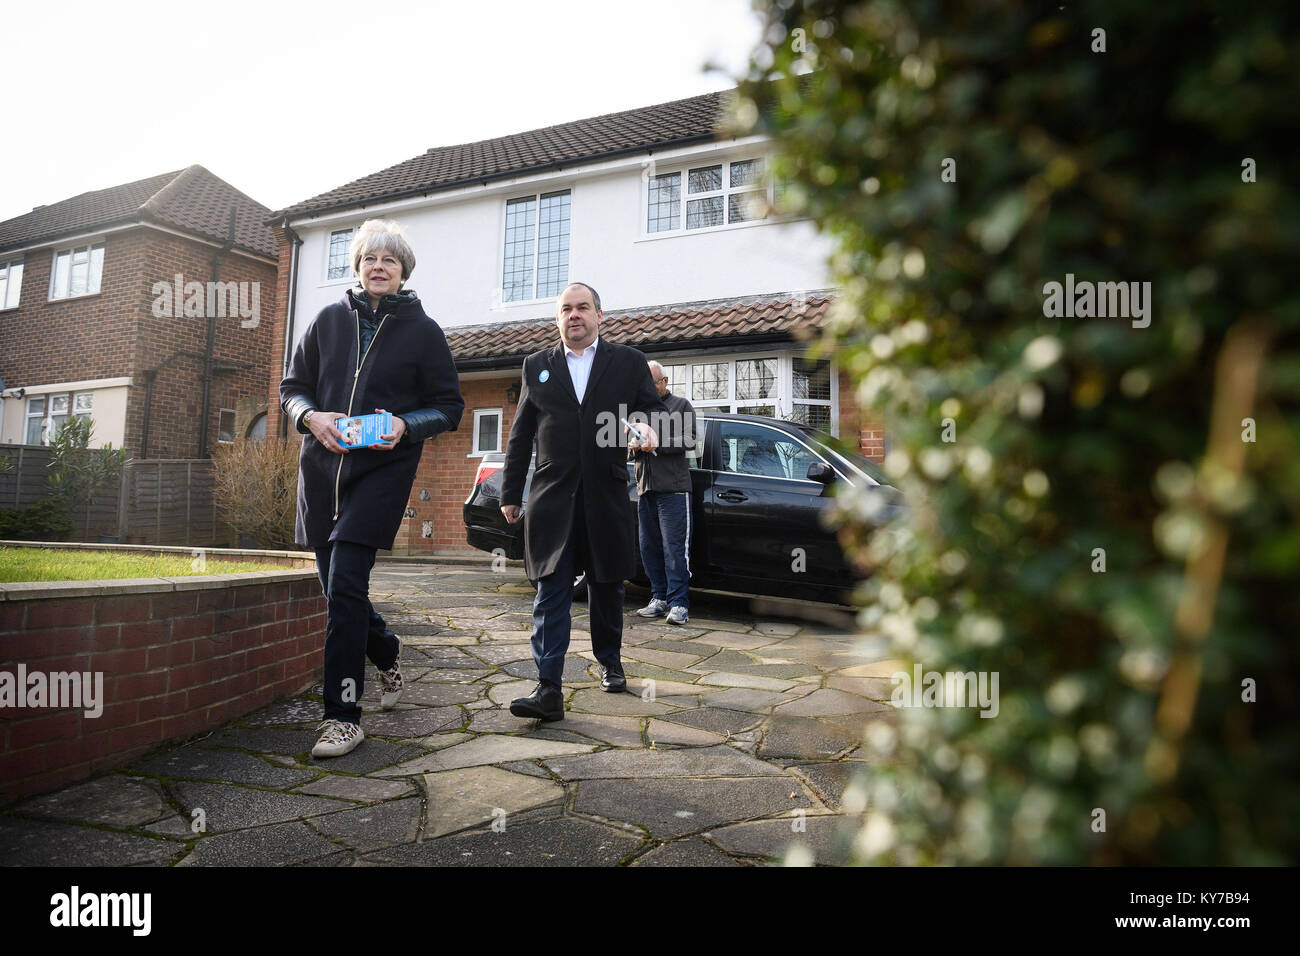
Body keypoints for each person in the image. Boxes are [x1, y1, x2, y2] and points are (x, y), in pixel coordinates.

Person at [280, 219, 464, 758]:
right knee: (338, 593)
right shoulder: (326, 321)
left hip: (380, 477)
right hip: (320, 475)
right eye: (369, 259)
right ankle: (386, 651)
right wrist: (310, 417)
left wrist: (407, 424)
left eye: (389, 260)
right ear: (357, 267)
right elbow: (293, 388)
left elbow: (449, 407)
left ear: (403, 270)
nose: (378, 267)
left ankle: (341, 717)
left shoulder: (423, 331)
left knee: (344, 590)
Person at [500, 282, 666, 720]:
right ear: (557, 319)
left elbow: (651, 410)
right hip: (552, 497)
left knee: (606, 586)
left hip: (606, 493)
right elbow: (520, 437)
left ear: (599, 315)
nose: (574, 315)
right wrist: (510, 493)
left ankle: (609, 661)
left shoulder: (628, 362)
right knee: (551, 588)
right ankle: (548, 686)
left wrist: (647, 427)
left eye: (583, 308)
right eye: (566, 309)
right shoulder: (536, 365)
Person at [631, 360, 696, 625]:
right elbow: (624, 448)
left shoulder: (681, 406)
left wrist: (657, 443)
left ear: (665, 381)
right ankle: (658, 598)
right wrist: (633, 445)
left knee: (674, 549)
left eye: (653, 382)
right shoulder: (638, 411)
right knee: (649, 548)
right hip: (645, 489)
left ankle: (679, 604)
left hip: (674, 490)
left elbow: (690, 439)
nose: (647, 387)